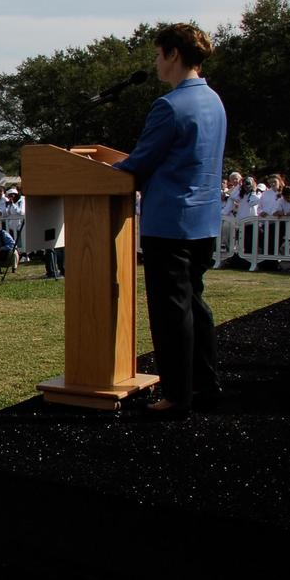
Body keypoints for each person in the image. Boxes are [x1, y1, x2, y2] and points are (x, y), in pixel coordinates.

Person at [113, 23, 226, 415]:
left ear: (174, 54)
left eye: (159, 54)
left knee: (170, 313)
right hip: (204, 221)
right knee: (195, 303)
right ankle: (205, 383)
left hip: (170, 223)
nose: (157, 63)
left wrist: (99, 172)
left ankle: (177, 395)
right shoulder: (214, 101)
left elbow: (139, 164)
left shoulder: (170, 106)